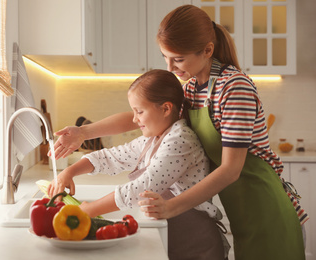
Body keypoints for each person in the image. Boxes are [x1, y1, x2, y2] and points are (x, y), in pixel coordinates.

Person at [50, 5, 308, 260]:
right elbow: (140, 115)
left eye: (179, 59)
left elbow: (231, 169)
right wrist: (83, 132)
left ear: (207, 50)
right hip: (241, 210)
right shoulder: (194, 88)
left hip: (266, 209)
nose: (171, 67)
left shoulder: (234, 88)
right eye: (166, 57)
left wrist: (170, 206)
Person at [48, 69, 226, 260]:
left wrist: (90, 210)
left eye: (139, 111)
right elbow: (111, 157)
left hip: (198, 245)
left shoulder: (180, 140)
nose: (134, 119)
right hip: (177, 241)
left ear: (166, 109)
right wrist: (70, 171)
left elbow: (140, 188)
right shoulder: (155, 139)